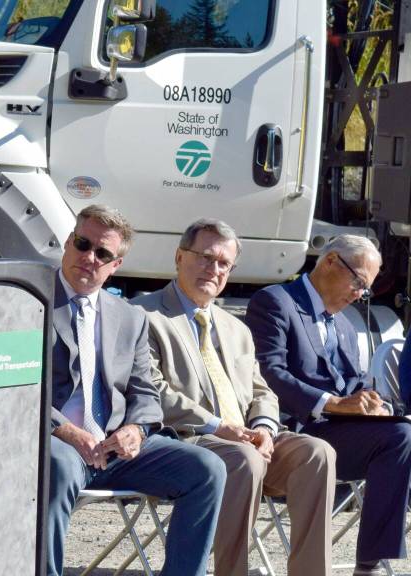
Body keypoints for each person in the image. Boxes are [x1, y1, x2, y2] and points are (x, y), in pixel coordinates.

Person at [132, 218, 335, 576]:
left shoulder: (235, 327)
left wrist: (265, 427)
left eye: (224, 263)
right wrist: (219, 426)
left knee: (317, 453)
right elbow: (153, 390)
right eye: (206, 258)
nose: (214, 269)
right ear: (179, 257)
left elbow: (262, 390)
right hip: (189, 440)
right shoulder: (144, 315)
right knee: (245, 458)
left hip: (246, 438)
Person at [47, 204, 225, 576]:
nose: (89, 257)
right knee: (57, 467)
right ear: (67, 242)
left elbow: (145, 392)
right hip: (57, 441)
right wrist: (64, 430)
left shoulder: (129, 317)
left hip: (114, 449)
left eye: (103, 253)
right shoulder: (32, 300)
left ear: (117, 264)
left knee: (207, 469)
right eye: (82, 243)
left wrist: (137, 430)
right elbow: (19, 386)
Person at [246, 234, 411, 576]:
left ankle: (371, 562)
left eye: (365, 288)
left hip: (339, 435)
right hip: (294, 433)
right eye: (359, 282)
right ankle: (370, 566)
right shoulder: (276, 301)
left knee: (401, 431)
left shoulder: (345, 325)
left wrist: (371, 402)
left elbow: (359, 384)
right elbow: (267, 374)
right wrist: (333, 403)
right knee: (401, 436)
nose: (360, 293)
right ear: (331, 261)